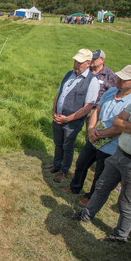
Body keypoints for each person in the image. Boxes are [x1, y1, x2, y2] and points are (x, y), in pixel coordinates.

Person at [66, 65, 131, 243]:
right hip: (119, 151)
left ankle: (121, 235)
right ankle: (86, 215)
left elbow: (119, 126)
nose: (118, 80)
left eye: (123, 79)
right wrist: (93, 130)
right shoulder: (112, 93)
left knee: (125, 200)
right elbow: (114, 120)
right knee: (101, 185)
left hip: (116, 150)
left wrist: (104, 133)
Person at [43, 49, 100, 183]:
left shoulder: (92, 81)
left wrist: (68, 119)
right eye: (75, 61)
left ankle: (64, 170)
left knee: (67, 146)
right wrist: (54, 112)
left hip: (72, 122)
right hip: (58, 118)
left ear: (88, 63)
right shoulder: (69, 74)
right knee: (58, 143)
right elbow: (59, 93)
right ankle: (56, 166)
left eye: (79, 62)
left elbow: (88, 107)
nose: (76, 64)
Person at [84, 50, 118, 140]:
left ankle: (89, 149)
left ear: (102, 60)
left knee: (90, 132)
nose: (92, 60)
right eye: (91, 58)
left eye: (95, 59)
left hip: (95, 109)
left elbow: (116, 91)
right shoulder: (87, 71)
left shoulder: (109, 75)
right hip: (81, 104)